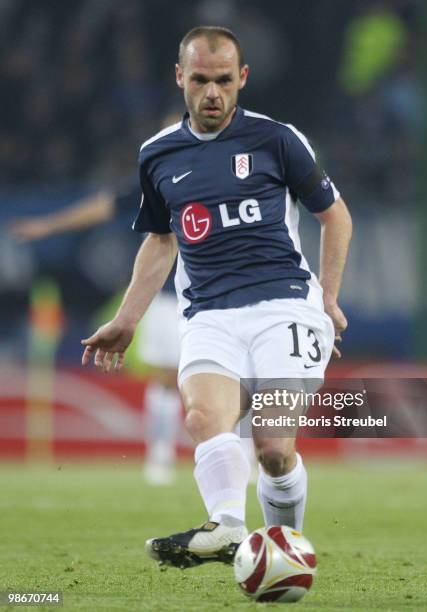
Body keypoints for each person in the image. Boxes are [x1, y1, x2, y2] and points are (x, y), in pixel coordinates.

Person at [81, 25, 352, 569]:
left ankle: (284, 550)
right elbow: (161, 241)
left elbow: (335, 216)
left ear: (242, 78)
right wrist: (127, 318)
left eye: (224, 80)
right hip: (208, 315)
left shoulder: (278, 139)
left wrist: (328, 298)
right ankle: (228, 527)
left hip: (284, 308)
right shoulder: (158, 155)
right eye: (200, 79)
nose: (212, 93)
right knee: (205, 417)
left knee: (274, 448)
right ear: (180, 77)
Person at [10, 171, 182, 486]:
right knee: (166, 377)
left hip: (223, 294)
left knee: (236, 375)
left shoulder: (231, 170)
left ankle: (248, 455)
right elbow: (107, 206)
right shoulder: (162, 177)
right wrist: (50, 225)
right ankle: (161, 455)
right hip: (169, 294)